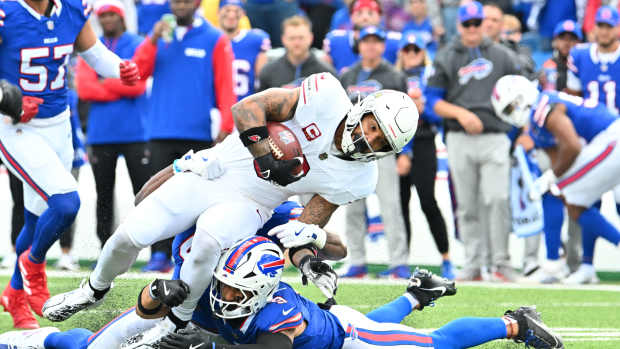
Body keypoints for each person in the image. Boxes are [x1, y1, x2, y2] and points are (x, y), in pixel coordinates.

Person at [42, 72, 419, 346]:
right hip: (219, 169)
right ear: (363, 110)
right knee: (130, 234)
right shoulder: (326, 95)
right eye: (372, 126)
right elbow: (247, 108)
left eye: (379, 140)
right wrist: (264, 154)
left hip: (255, 202)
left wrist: (307, 258)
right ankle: (93, 289)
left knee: (207, 243)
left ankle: (177, 321)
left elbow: (302, 227)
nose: (367, 139)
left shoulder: (359, 178)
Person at [2, 235, 565, 349]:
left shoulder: (276, 328)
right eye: (221, 279)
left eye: (231, 284)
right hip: (326, 314)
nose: (221, 289)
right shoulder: (219, 286)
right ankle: (33, 342)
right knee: (93, 348)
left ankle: (515, 322)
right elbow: (145, 312)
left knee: (431, 346)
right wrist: (154, 302)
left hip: (342, 340)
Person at [0, 0, 140, 329]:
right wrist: (7, 98)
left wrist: (119, 67)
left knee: (37, 220)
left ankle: (15, 296)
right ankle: (33, 266)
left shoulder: (73, 9)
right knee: (65, 203)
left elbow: (93, 54)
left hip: (59, 122)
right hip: (15, 126)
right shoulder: (6, 13)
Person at [132, 0, 237, 272]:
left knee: (198, 199)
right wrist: (152, 39)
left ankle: (193, 253)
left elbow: (226, 84)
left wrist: (226, 126)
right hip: (160, 132)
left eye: (186, 1)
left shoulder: (214, 38)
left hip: (199, 133)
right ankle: (159, 254)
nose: (180, 5)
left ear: (198, 4)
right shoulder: (157, 37)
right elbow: (137, 74)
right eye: (176, 1)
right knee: (159, 198)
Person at [425, 1, 521, 282]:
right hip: (459, 135)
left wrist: (514, 130)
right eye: (467, 24)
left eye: (476, 23)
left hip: (494, 135)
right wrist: (460, 113)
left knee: (497, 199)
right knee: (467, 205)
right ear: (459, 26)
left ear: (484, 24)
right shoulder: (447, 55)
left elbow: (521, 93)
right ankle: (474, 262)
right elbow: (431, 102)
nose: (472, 29)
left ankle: (501, 262)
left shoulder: (503, 56)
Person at [492, 75, 620, 285]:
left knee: (563, 193)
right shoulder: (536, 125)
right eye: (507, 112)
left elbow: (571, 147)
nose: (512, 114)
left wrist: (551, 177)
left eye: (511, 107)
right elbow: (558, 160)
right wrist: (551, 180)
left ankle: (553, 263)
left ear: (521, 96)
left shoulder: (543, 106)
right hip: (604, 143)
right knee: (565, 198)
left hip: (611, 139)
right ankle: (553, 263)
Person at [76, 0, 152, 251]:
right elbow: (85, 89)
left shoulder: (138, 43)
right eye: (103, 15)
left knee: (144, 193)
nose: (107, 19)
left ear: (122, 17)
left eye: (111, 15)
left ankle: (152, 247)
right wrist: (121, 85)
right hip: (101, 133)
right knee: (103, 195)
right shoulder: (91, 45)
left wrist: (103, 81)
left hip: (135, 132)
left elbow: (139, 85)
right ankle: (104, 247)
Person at [337, 26, 410, 279]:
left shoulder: (393, 76)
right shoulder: (348, 76)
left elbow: (407, 119)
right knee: (353, 209)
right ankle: (357, 261)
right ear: (360, 45)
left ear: (382, 45)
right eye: (366, 41)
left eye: (376, 41)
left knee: (391, 206)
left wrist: (405, 153)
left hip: (384, 150)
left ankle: (398, 263)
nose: (370, 46)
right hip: (354, 152)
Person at [395, 31, 454, 280]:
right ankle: (401, 262)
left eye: (416, 50)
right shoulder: (394, 77)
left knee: (428, 201)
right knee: (400, 204)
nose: (411, 55)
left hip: (424, 141)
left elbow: (441, 114)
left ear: (423, 53)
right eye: (407, 50)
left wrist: (424, 109)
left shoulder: (432, 76)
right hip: (398, 143)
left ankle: (446, 258)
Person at [567, 6, 620, 116]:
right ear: (594, 27)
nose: (604, 32)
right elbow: (574, 97)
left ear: (618, 28)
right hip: (589, 126)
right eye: (600, 26)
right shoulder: (579, 55)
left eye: (609, 26)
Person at [258, 16, 336, 90]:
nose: (296, 43)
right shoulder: (268, 71)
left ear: (310, 38)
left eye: (301, 38)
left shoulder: (325, 73)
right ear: (283, 39)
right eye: (292, 38)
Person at [323, 0, 401, 74]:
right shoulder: (336, 40)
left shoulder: (395, 41)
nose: (365, 17)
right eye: (359, 13)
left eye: (370, 13)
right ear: (351, 16)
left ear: (380, 16)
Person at [218, 0, 271, 101]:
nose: (231, 15)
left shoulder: (256, 40)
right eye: (227, 10)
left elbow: (263, 81)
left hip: (246, 106)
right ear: (219, 12)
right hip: (218, 107)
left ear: (243, 14)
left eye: (236, 11)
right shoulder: (211, 40)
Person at [540, 20, 582, 93]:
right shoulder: (549, 65)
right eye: (562, 38)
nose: (567, 43)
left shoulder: (585, 64)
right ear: (555, 41)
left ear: (579, 42)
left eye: (571, 39)